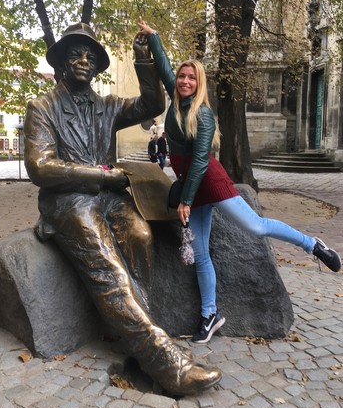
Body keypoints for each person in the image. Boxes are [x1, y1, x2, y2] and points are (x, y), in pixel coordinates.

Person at [24, 22, 222, 395]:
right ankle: (164, 361)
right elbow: (40, 166)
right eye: (74, 53)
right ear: (62, 63)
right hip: (68, 199)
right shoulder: (42, 108)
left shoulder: (106, 106)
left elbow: (152, 104)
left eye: (90, 55)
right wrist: (100, 176)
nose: (83, 60)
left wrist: (143, 57)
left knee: (141, 236)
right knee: (110, 269)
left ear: (98, 65)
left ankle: (135, 332)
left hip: (108, 196)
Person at [137, 19, 342, 345]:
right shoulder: (175, 103)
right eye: (182, 75)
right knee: (201, 253)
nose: (185, 80)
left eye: (192, 77)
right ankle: (210, 315)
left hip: (209, 180)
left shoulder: (202, 114)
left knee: (256, 226)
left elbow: (202, 162)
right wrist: (154, 37)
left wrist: (186, 202)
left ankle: (313, 245)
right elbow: (162, 66)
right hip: (192, 183)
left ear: (199, 83)